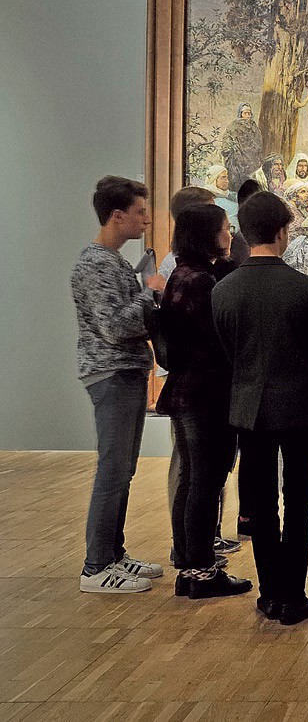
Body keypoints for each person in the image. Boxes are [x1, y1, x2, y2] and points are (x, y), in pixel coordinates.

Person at [212, 192, 308, 626]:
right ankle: (294, 596)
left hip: (248, 406)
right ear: (282, 232)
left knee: (261, 503)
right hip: (299, 402)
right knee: (298, 501)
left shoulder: (224, 290)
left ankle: (270, 593)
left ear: (244, 232)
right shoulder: (304, 288)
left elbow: (229, 352)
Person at [73, 176, 166, 594]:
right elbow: (114, 326)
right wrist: (150, 292)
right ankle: (96, 567)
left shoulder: (110, 262)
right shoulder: (97, 264)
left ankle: (114, 554)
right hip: (112, 373)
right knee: (112, 470)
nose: (146, 219)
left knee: (122, 469)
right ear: (117, 215)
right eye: (140, 212)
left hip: (124, 372)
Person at [156, 203, 253, 599]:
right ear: (207, 235)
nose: (230, 235)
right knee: (206, 482)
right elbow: (220, 340)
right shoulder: (202, 282)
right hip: (206, 394)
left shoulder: (183, 275)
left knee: (194, 480)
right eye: (225, 228)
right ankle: (202, 571)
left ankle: (189, 566)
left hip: (186, 392)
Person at [221, 103, 263, 191]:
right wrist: (231, 149)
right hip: (238, 161)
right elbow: (227, 140)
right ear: (240, 114)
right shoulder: (233, 126)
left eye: (249, 113)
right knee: (237, 184)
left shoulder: (255, 127)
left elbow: (259, 142)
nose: (248, 115)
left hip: (252, 162)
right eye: (245, 113)